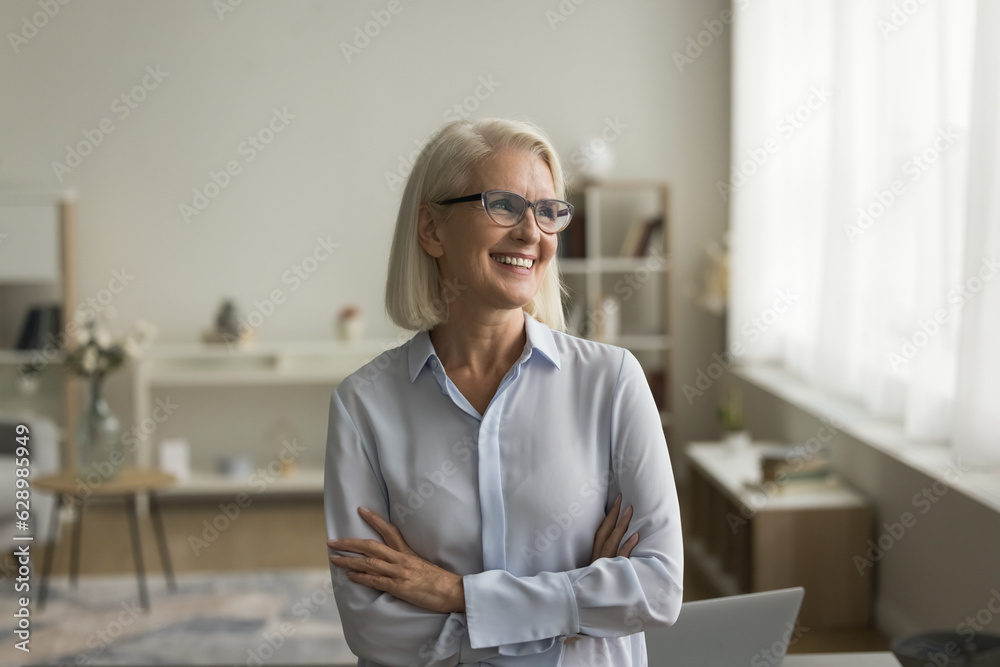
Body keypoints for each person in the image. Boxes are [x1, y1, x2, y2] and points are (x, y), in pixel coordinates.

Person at [324, 117, 683, 666]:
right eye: (505, 206)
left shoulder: (612, 382)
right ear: (431, 229)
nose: (531, 233)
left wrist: (453, 595)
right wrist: (574, 609)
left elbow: (656, 589)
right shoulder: (364, 405)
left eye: (547, 211)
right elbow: (373, 628)